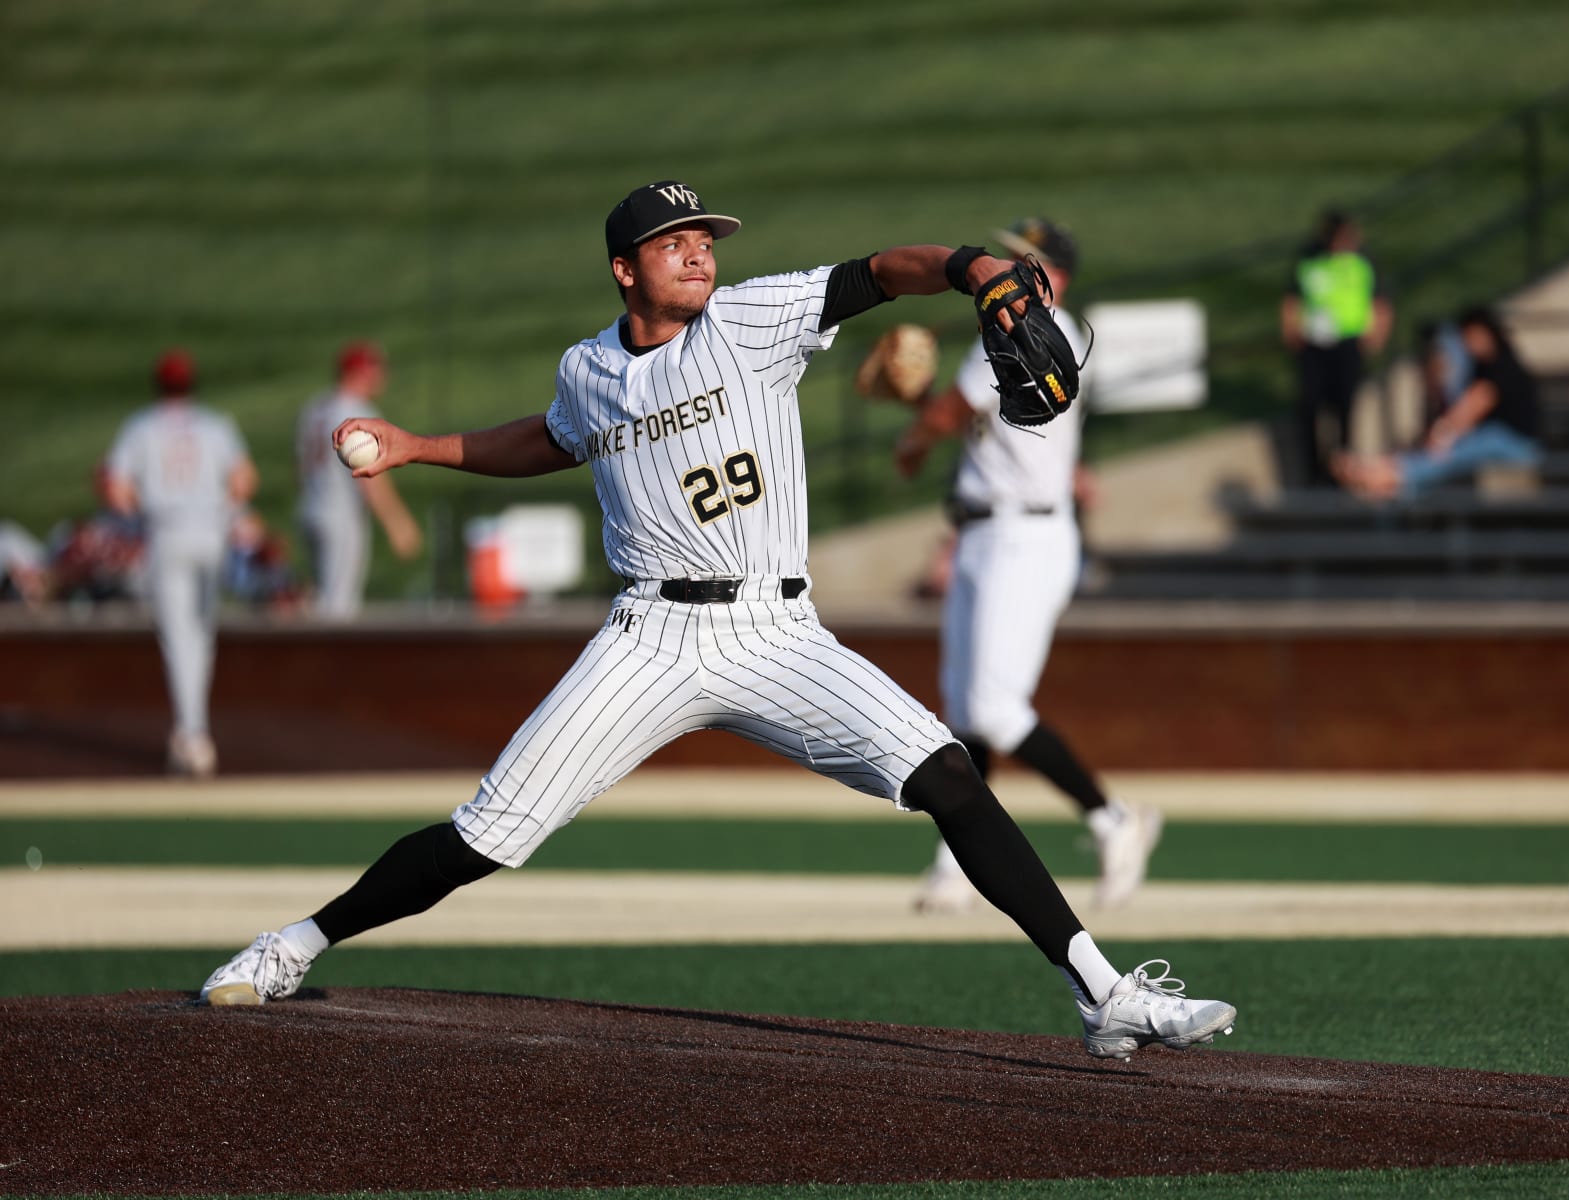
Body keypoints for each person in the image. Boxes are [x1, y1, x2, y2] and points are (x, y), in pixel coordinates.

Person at [199, 180, 1237, 1062]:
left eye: (705, 239)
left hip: (777, 634)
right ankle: (293, 944)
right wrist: (419, 447)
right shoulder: (587, 369)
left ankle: (1106, 993)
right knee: (484, 838)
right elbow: (557, 439)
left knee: (950, 773)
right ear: (623, 270)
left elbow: (880, 271)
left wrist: (973, 267)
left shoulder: (752, 317)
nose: (699, 252)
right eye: (674, 242)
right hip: (648, 639)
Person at [893, 217, 1162, 914]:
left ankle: (1114, 819)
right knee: (963, 710)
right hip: (987, 532)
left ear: (1059, 275)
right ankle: (959, 859)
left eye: (1027, 259)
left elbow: (953, 414)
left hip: (1026, 538)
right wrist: (924, 415)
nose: (1011, 266)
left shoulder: (1038, 328)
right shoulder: (1017, 328)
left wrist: (913, 432)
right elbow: (975, 423)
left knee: (994, 708)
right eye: (1011, 256)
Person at [104, 349, 258, 777]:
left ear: (158, 385)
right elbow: (245, 480)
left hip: (167, 532)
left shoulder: (141, 426)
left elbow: (116, 490)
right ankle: (194, 734)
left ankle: (192, 735)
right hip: (209, 532)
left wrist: (142, 513)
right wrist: (222, 512)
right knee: (200, 636)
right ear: (191, 384)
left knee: (177, 639)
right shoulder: (215, 424)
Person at [1332, 307, 1542, 501]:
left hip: (1516, 444)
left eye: (1472, 336)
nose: (1469, 343)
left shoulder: (1502, 365)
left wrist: (1442, 434)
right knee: (1450, 449)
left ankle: (1391, 473)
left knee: (1453, 451)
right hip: (1497, 440)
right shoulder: (1482, 366)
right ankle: (1388, 474)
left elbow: (1472, 408)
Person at [295, 342, 422, 619]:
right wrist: (396, 522)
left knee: (323, 599)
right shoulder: (358, 410)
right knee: (339, 608)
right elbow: (369, 478)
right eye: (374, 369)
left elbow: (302, 466)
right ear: (359, 372)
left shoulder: (315, 407)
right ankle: (329, 662)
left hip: (310, 509)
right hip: (340, 516)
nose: (381, 376)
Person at [1281, 209, 1392, 486]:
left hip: (1348, 342)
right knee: (1309, 406)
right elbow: (1292, 298)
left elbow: (1380, 299)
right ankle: (1313, 472)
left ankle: (1343, 470)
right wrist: (1291, 330)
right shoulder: (1309, 259)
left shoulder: (1363, 260)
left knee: (1345, 407)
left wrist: (1377, 334)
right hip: (1314, 343)